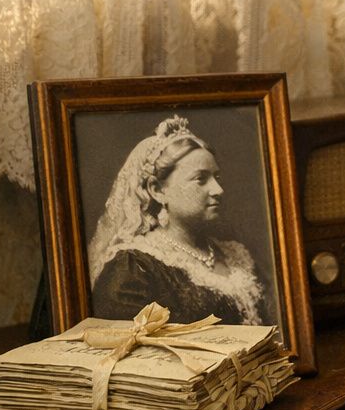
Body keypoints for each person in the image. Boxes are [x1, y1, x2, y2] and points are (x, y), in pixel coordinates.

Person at [88, 115, 266, 327]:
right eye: (200, 179)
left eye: (216, 177)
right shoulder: (134, 269)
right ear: (158, 190)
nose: (218, 190)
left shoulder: (237, 255)